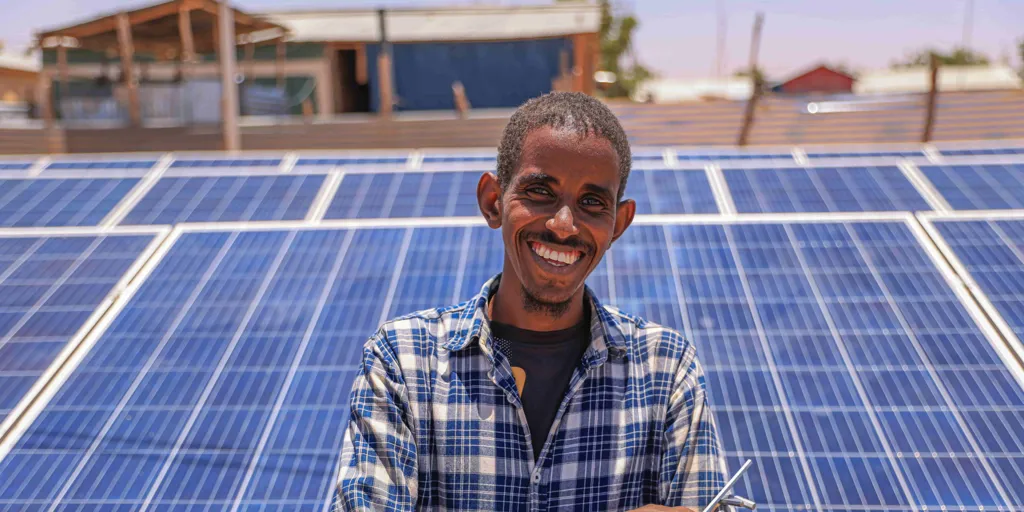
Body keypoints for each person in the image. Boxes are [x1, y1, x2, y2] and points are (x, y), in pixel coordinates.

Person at [334, 91, 725, 511]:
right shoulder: (404, 363)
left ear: (619, 223)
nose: (563, 225)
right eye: (540, 191)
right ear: (493, 201)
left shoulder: (665, 369)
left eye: (592, 202)